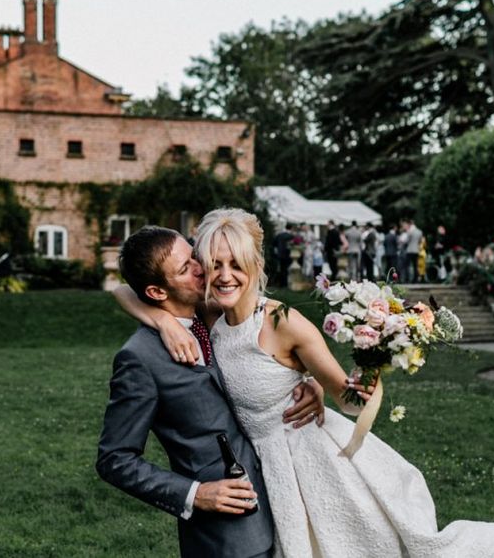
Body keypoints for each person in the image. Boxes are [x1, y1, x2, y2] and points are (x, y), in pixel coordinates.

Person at [116, 209, 494, 558]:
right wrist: (161, 320)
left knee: (409, 548)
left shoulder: (284, 322)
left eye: (234, 264)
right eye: (211, 264)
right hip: (271, 473)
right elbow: (122, 289)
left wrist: (378, 353)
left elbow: (347, 395)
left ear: (254, 264)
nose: (221, 275)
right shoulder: (210, 314)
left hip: (317, 457)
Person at [97, 225, 325, 558]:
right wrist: (195, 493)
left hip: (285, 493)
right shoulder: (139, 359)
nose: (201, 267)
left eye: (193, 255)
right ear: (157, 292)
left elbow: (268, 353)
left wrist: (306, 376)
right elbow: (113, 459)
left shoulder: (215, 310)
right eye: (184, 268)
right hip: (227, 534)